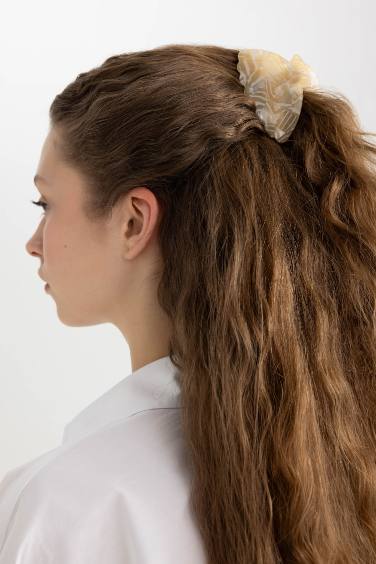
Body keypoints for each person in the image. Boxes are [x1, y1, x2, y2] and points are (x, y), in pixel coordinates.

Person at [1, 43, 376, 563]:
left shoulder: (66, 508)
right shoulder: (344, 463)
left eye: (46, 203)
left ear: (133, 221)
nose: (33, 241)